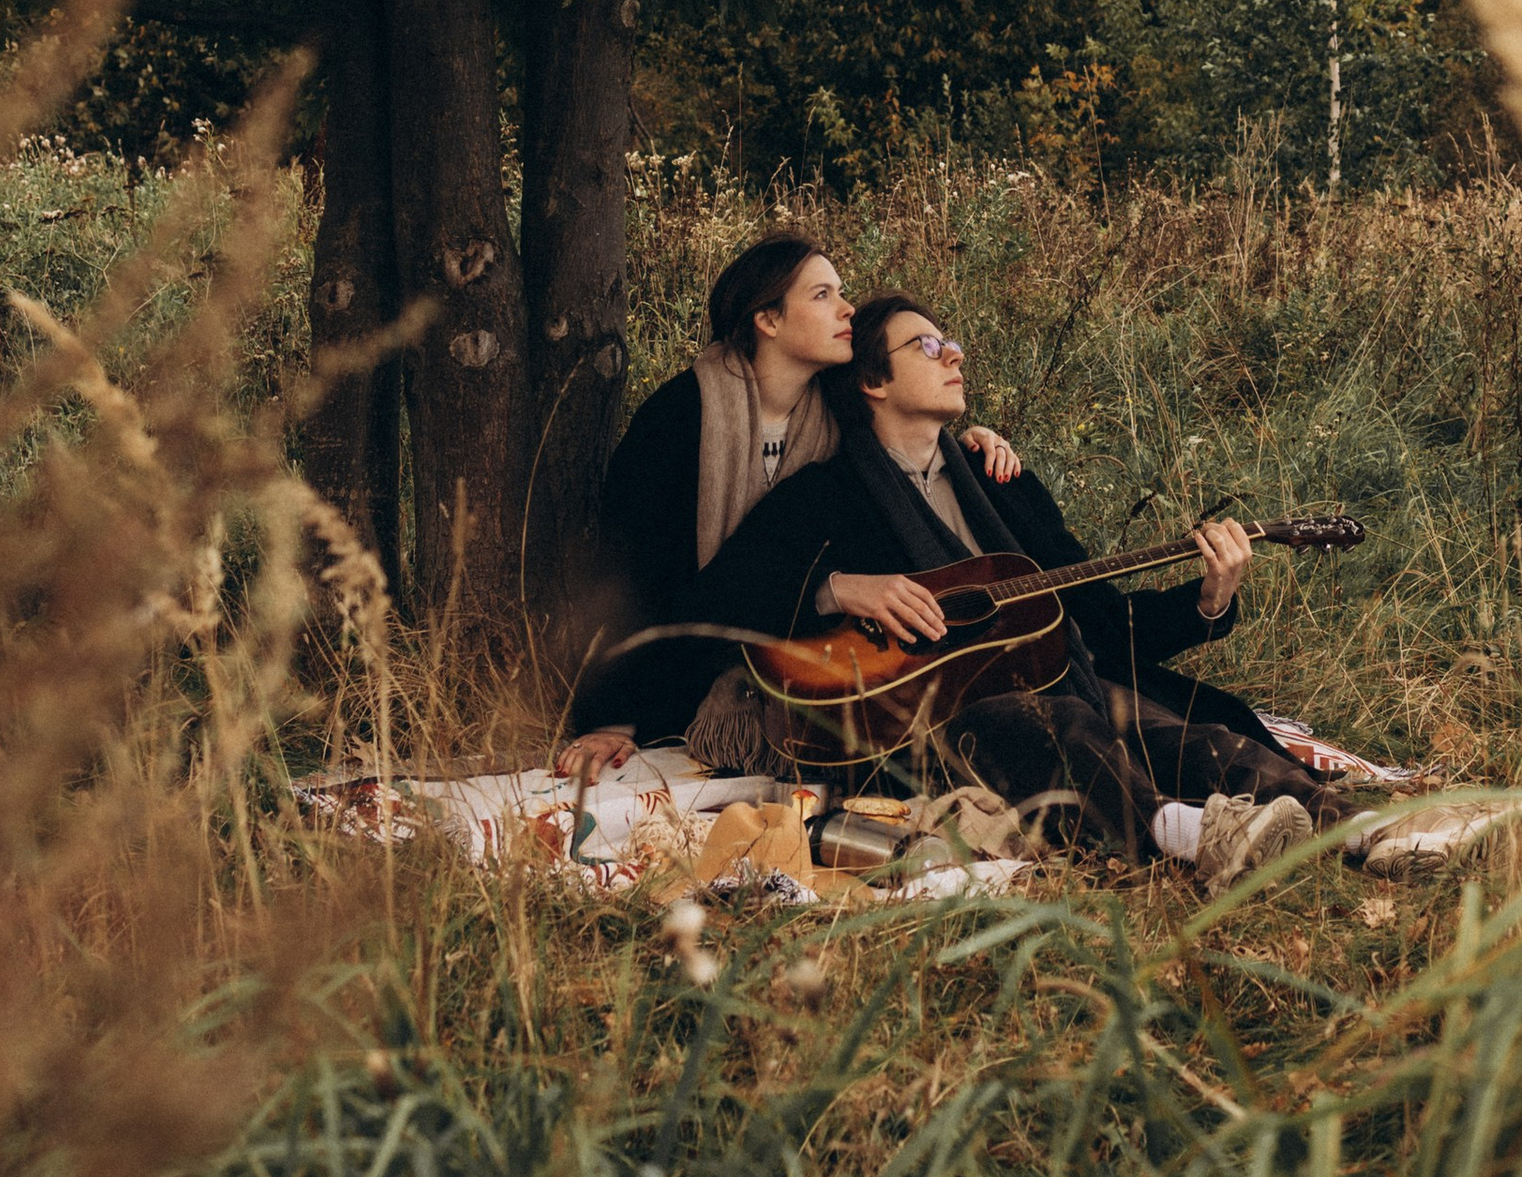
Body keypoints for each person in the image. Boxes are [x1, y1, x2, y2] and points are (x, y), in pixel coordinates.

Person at [694, 288, 1341, 873]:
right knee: (1053, 724)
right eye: (927, 346)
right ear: (872, 380)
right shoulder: (824, 496)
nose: (954, 354)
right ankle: (1190, 836)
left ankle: (1365, 830)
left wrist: (1210, 598)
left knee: (1195, 738)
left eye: (950, 342)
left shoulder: (1003, 483)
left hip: (1064, 681)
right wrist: (840, 588)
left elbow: (1103, 622)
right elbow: (719, 596)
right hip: (919, 725)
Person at [562, 234, 1018, 776]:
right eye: (822, 295)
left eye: (841, 292)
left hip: (805, 675)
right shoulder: (680, 418)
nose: (847, 309)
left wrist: (970, 446)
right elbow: (626, 575)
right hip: (675, 675)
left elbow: (908, 438)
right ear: (768, 320)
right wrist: (612, 719)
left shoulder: (837, 418)